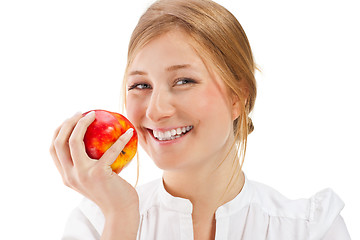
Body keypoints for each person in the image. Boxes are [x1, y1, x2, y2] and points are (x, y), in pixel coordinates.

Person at [50, 0, 351, 239]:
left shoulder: (313, 230)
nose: (155, 111)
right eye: (141, 85)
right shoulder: (96, 225)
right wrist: (122, 218)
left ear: (238, 97)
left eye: (183, 81)